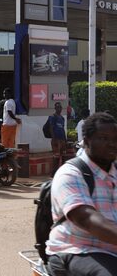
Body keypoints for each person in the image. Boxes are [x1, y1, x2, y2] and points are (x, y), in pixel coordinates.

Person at [45, 112, 117, 275]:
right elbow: (87, 219)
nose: (112, 144)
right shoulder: (70, 173)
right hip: (78, 248)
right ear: (87, 140)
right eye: (104, 138)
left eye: (115, 139)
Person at [49, 102, 67, 176]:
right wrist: (54, 139)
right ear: (55, 108)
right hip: (56, 140)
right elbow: (51, 128)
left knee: (64, 157)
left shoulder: (62, 118)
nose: (59, 109)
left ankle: (62, 172)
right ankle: (53, 174)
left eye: (60, 107)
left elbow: (62, 129)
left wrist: (65, 140)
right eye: (57, 107)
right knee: (56, 157)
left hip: (62, 140)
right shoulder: (52, 117)